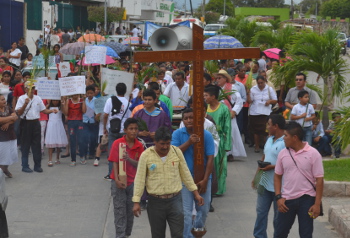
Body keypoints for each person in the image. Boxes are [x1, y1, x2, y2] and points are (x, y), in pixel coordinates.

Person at [132, 127, 204, 238]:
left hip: (175, 201)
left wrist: (196, 194)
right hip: (155, 203)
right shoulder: (146, 155)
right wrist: (136, 202)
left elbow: (186, 174)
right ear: (155, 142)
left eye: (167, 143)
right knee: (157, 235)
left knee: (177, 234)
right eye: (162, 144)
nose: (165, 147)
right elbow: (140, 179)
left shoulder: (176, 151)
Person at [274, 121, 324, 238]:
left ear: (295, 137)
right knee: (279, 233)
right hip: (286, 200)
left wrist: (316, 205)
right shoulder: (282, 154)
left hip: (307, 200)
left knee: (306, 234)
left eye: (286, 135)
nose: (283, 139)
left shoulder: (313, 154)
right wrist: (278, 197)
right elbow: (277, 175)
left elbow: (319, 180)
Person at [172, 108, 214, 238]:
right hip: (184, 179)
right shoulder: (178, 134)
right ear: (183, 120)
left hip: (203, 178)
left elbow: (210, 158)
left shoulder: (206, 135)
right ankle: (187, 236)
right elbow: (174, 153)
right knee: (186, 212)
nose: (189, 120)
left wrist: (206, 179)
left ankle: (197, 232)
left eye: (192, 117)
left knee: (203, 210)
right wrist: (189, 142)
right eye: (186, 118)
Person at [109, 118, 144, 238]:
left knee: (130, 211)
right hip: (118, 182)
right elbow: (114, 162)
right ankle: (120, 235)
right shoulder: (117, 143)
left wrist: (129, 159)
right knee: (119, 211)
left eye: (135, 129)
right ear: (125, 130)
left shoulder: (139, 145)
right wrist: (117, 179)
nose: (133, 131)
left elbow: (140, 164)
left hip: (132, 182)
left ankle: (127, 234)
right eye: (131, 129)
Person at [252, 114, 286, 238]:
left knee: (278, 217)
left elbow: (287, 164)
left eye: (269, 124)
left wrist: (271, 167)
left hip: (279, 187)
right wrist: (256, 176)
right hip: (264, 183)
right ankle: (259, 236)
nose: (267, 127)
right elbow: (264, 157)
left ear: (275, 126)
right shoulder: (269, 139)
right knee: (261, 213)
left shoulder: (285, 142)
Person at [15, 82, 58, 173]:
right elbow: (19, 112)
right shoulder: (22, 98)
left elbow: (43, 110)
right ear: (26, 89)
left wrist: (51, 110)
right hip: (26, 123)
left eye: (34, 88)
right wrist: (25, 104)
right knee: (25, 145)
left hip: (36, 123)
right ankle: (25, 165)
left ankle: (37, 165)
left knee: (37, 145)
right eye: (31, 88)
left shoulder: (38, 98)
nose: (33, 90)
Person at [204, 86, 231, 195]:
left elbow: (228, 127)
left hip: (219, 141)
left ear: (213, 97)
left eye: (206, 95)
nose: (204, 98)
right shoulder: (205, 109)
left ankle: (218, 189)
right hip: (206, 140)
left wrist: (227, 145)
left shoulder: (224, 109)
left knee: (219, 165)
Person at [215, 70, 245, 161]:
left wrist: (234, 112)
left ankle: (230, 153)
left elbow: (239, 101)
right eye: (217, 78)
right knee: (219, 134)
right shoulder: (216, 89)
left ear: (225, 79)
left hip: (229, 114)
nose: (217, 80)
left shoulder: (232, 87)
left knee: (230, 133)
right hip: (219, 114)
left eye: (219, 78)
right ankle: (220, 152)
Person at [103, 83, 131, 179]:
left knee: (112, 151)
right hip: (124, 130)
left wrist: (104, 127)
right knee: (124, 152)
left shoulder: (110, 100)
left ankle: (111, 174)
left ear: (116, 90)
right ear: (125, 91)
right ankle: (123, 172)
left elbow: (105, 115)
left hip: (112, 128)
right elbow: (129, 117)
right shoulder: (128, 102)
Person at [247, 76, 277, 153]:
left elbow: (275, 100)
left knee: (265, 130)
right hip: (255, 112)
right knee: (256, 130)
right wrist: (248, 94)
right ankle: (256, 146)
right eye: (258, 83)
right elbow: (250, 101)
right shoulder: (253, 89)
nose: (260, 84)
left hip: (266, 112)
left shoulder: (269, 89)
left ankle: (265, 146)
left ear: (265, 82)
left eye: (262, 83)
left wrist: (269, 101)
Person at [62, 94, 87, 166]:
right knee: (72, 141)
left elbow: (84, 111)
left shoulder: (81, 101)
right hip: (71, 122)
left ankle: (82, 157)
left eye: (76, 94)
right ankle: (73, 159)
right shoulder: (68, 101)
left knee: (81, 140)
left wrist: (84, 100)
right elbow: (66, 113)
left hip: (79, 122)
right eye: (73, 94)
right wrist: (64, 102)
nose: (75, 96)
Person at [45, 100, 68, 166]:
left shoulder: (60, 107)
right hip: (51, 124)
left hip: (59, 124)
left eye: (57, 101)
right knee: (51, 141)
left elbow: (65, 113)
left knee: (58, 141)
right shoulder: (49, 106)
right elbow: (44, 111)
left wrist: (63, 105)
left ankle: (57, 158)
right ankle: (50, 159)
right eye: (54, 100)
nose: (55, 102)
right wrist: (48, 105)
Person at [0, 94, 18, 178]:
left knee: (11, 154)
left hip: (11, 135)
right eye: (2, 100)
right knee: (3, 156)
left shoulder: (7, 108)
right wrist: (11, 117)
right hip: (2, 137)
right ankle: (2, 171)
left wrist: (7, 122)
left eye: (4, 99)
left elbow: (16, 117)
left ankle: (4, 169)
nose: (4, 101)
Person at [82, 85, 98, 160]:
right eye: (88, 93)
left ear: (94, 93)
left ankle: (91, 153)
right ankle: (84, 153)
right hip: (85, 121)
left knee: (93, 138)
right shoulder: (84, 100)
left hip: (93, 121)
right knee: (85, 137)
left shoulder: (96, 100)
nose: (90, 95)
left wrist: (96, 117)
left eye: (91, 93)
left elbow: (98, 111)